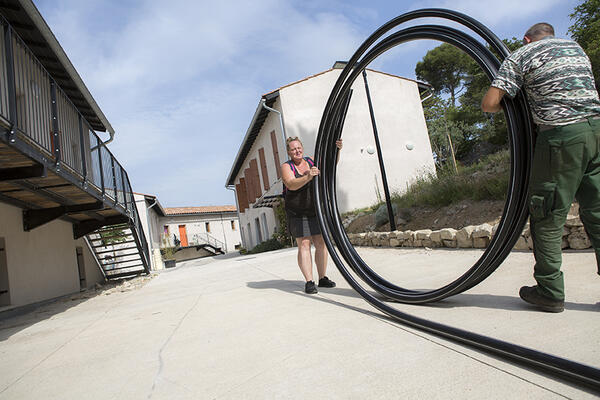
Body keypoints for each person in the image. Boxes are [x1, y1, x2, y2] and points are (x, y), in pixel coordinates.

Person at [481, 22, 600, 312]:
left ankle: (549, 291)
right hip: (596, 130)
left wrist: (514, 104)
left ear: (526, 38)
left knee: (546, 215)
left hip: (561, 137)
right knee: (597, 212)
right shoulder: (575, 48)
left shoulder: (522, 55)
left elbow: (489, 103)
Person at [281, 136, 343, 294]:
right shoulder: (287, 167)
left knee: (321, 242)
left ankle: (322, 278)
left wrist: (337, 150)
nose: (297, 151)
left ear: (302, 148)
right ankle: (309, 281)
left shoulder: (311, 161)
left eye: (299, 147)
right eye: (293, 149)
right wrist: (307, 177)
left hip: (314, 208)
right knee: (304, 244)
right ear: (289, 152)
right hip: (297, 211)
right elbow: (290, 184)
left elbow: (330, 165)